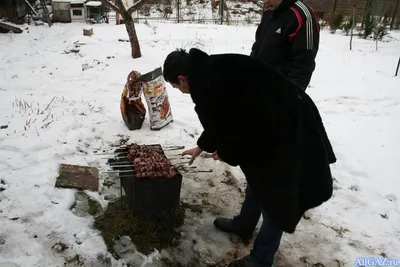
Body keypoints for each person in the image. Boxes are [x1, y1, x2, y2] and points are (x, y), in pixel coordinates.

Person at [162, 48, 336, 267]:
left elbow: (247, 127)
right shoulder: (206, 73)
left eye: (177, 87)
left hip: (288, 126)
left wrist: (226, 151)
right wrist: (202, 146)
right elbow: (223, 119)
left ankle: (261, 259)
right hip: (269, 121)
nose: (180, 91)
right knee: (258, 175)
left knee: (277, 195)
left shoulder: (213, 81)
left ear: (182, 78)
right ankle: (245, 223)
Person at [210, 0, 322, 265]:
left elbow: (302, 68)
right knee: (257, 170)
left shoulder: (302, 16)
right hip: (259, 106)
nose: (263, 1)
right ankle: (245, 222)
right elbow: (258, 53)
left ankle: (261, 259)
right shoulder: (270, 13)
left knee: (276, 187)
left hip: (282, 115)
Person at [250, 0, 320, 90]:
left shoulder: (303, 15)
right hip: (259, 85)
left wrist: (289, 97)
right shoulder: (269, 11)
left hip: (279, 90)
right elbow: (257, 45)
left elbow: (303, 65)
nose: (265, 1)